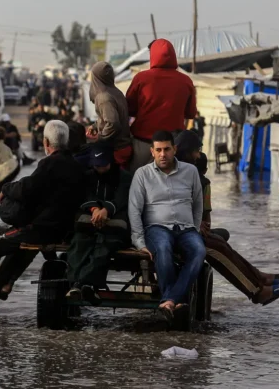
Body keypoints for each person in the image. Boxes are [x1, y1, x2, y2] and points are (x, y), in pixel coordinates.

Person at [0, 120, 86, 307]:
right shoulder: (76, 167)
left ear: (46, 142)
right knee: (9, 242)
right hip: (62, 229)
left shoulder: (50, 164)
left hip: (42, 229)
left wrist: (6, 188)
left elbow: (27, 189)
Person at [174, 130, 279, 305]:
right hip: (175, 232)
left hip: (184, 229)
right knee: (216, 248)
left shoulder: (185, 172)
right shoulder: (175, 173)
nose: (198, 156)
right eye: (196, 151)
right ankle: (256, 291)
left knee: (220, 243)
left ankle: (259, 278)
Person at [128, 130, 205, 323]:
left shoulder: (190, 171)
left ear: (174, 149)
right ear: (152, 151)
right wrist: (139, 242)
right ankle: (174, 299)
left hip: (186, 228)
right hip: (157, 228)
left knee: (199, 251)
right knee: (163, 248)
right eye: (159, 150)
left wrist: (195, 228)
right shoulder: (142, 174)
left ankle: (169, 300)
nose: (163, 154)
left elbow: (198, 204)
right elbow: (134, 210)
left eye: (167, 149)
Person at [67, 141, 133, 305]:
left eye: (103, 165)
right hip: (89, 224)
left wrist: (106, 211)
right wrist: (95, 210)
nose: (100, 168)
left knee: (103, 249)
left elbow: (121, 199)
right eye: (97, 165)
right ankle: (79, 284)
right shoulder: (88, 176)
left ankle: (81, 284)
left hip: (115, 227)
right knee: (78, 245)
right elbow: (85, 196)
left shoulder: (125, 177)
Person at [126, 39, 197, 171]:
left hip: (143, 144)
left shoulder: (141, 78)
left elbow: (129, 109)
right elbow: (191, 113)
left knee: (137, 181)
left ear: (153, 55)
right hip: (172, 147)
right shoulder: (186, 81)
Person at [86, 61, 133, 169]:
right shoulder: (116, 92)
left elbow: (113, 123)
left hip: (115, 148)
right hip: (124, 146)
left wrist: (100, 138)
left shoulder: (103, 97)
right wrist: (95, 126)